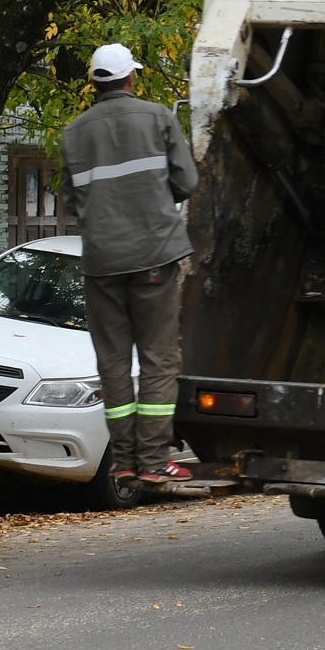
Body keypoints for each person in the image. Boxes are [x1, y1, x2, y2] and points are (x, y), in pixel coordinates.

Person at [60, 43, 199, 487]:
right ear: (130, 78)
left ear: (95, 83)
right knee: (159, 358)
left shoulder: (73, 133)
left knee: (114, 363)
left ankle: (123, 461)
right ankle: (154, 461)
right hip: (154, 255)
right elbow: (187, 182)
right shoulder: (158, 117)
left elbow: (70, 201)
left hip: (101, 263)